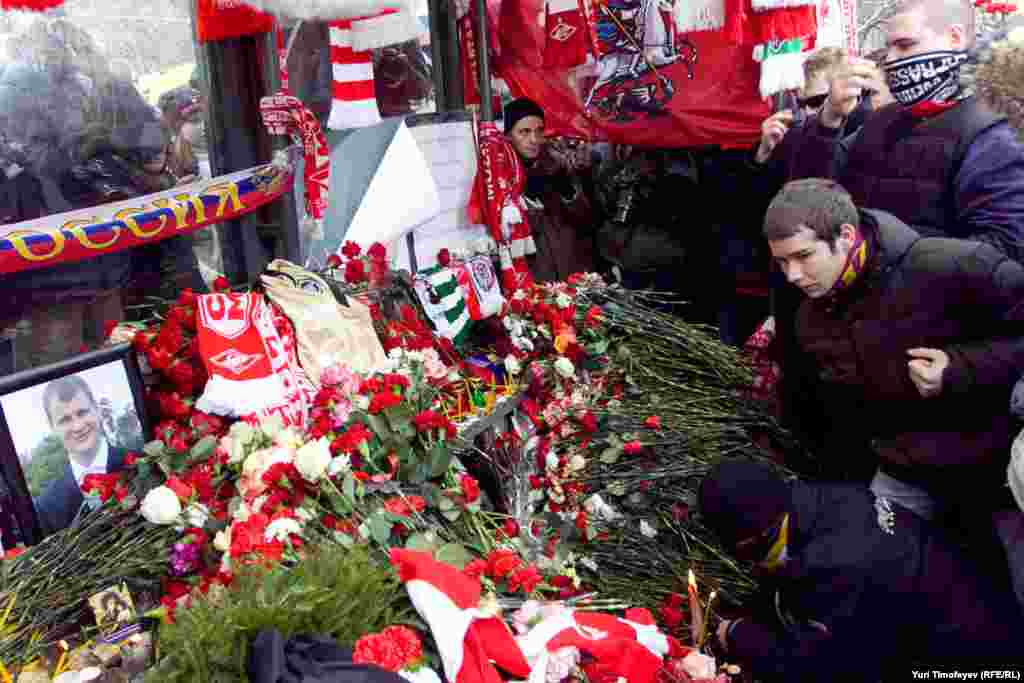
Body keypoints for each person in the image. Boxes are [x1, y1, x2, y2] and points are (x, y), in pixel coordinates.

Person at [765, 178, 1024, 578]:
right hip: (900, 469)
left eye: (803, 256)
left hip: (987, 470)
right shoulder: (810, 315)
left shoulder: (951, 266)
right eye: (782, 262)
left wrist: (960, 368)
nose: (793, 275)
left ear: (846, 236)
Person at [698, 460, 1023, 683]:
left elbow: (822, 667)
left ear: (753, 539)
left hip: (969, 658)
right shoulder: (817, 499)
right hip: (967, 598)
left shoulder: (832, 565)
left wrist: (740, 635)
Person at [503, 98, 598, 282]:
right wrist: (530, 201)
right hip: (537, 283)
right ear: (508, 135)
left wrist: (568, 191)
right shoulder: (502, 176)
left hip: (573, 277)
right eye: (524, 132)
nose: (534, 140)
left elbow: (588, 221)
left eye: (539, 131)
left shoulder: (556, 165)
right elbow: (515, 237)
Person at [33, 375, 127, 535]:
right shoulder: (46, 504)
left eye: (82, 412)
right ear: (52, 427)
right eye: (64, 420)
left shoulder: (139, 460)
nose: (77, 426)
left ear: (96, 410)